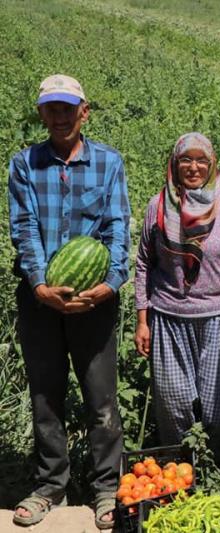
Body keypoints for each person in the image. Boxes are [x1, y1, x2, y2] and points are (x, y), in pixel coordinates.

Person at [8, 74, 130, 529]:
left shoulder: (109, 162)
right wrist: (41, 285)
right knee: (46, 397)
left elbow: (118, 226)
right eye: (51, 109)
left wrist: (112, 281)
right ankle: (49, 487)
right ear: (41, 114)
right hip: (40, 299)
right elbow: (23, 226)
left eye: (68, 108)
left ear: (84, 112)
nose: (60, 116)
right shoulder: (25, 164)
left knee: (101, 401)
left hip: (95, 299)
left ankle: (106, 490)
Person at [134, 132, 220, 449]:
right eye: (185, 159)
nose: (193, 167)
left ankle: (216, 467)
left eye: (201, 159)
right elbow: (143, 264)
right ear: (174, 165)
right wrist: (142, 320)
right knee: (174, 405)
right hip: (169, 317)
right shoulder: (159, 206)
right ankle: (179, 469)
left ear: (212, 163)